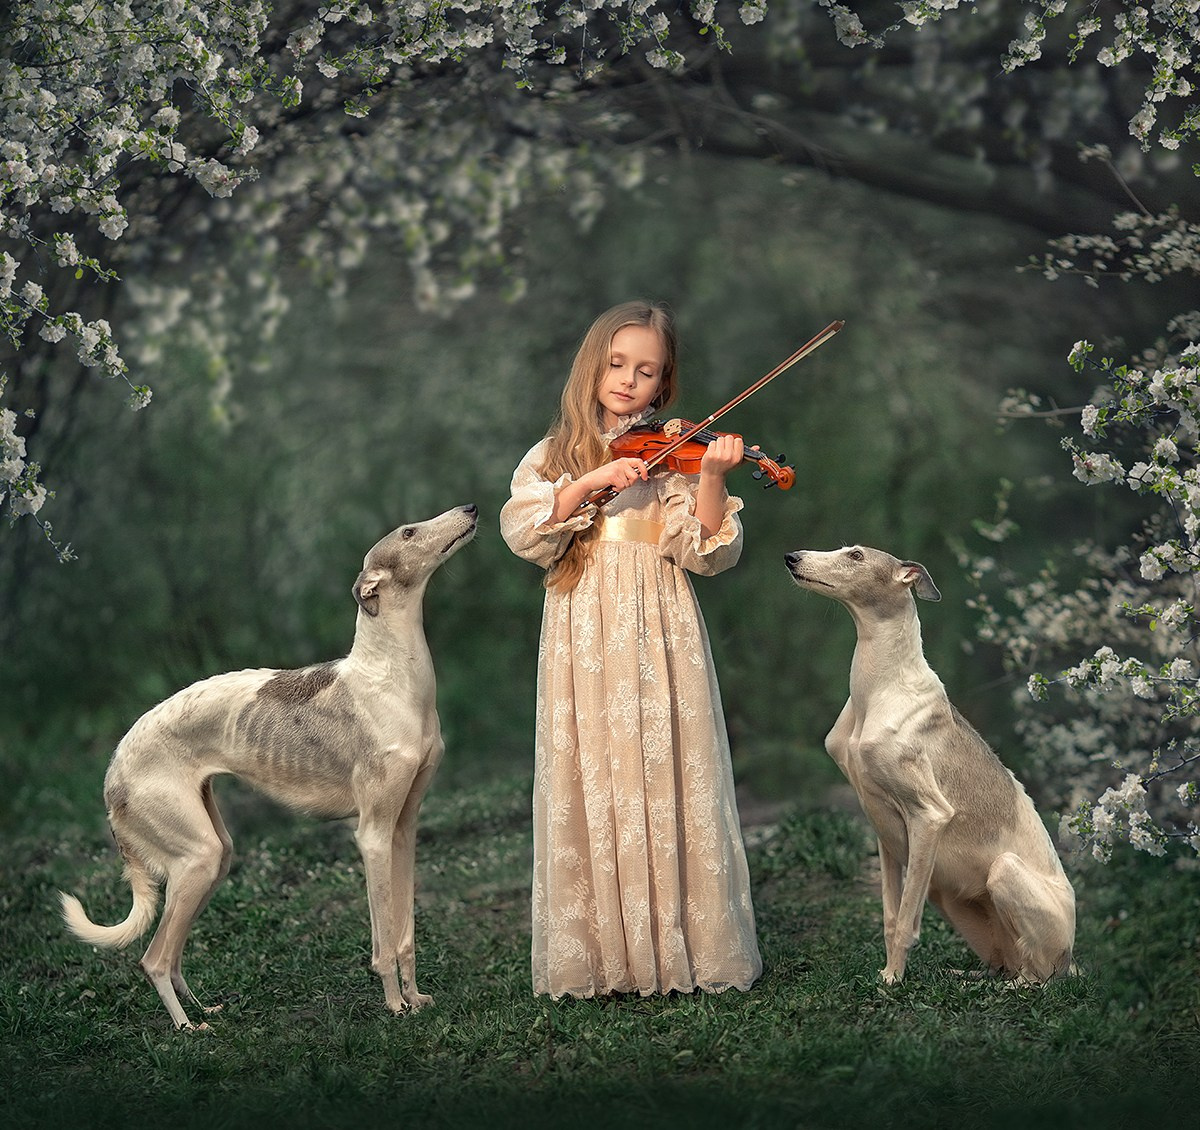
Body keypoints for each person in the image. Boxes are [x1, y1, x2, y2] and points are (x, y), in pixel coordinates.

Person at [499, 299, 762, 999]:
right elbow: (527, 532)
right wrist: (588, 480)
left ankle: (678, 949)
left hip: (659, 621)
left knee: (665, 759)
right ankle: (602, 955)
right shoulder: (554, 455)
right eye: (616, 365)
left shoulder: (675, 454)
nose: (627, 381)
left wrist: (710, 474)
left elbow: (707, 551)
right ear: (592, 367)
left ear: (663, 384)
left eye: (645, 372)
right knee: (594, 769)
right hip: (584, 622)